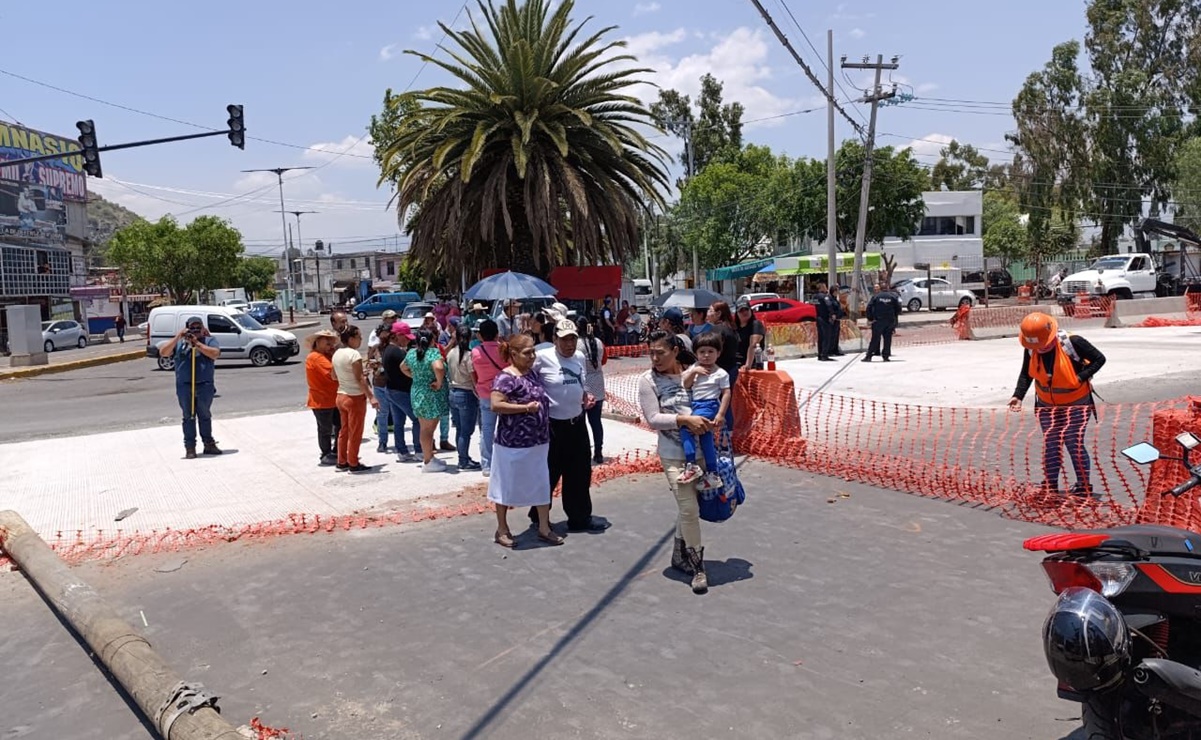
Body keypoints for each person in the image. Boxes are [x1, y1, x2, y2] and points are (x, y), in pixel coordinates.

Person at [637, 331, 714, 594]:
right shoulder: (648, 381)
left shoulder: (695, 372)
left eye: (661, 352)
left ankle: (679, 555)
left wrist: (717, 418)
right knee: (689, 509)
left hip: (703, 450)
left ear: (675, 351)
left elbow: (713, 399)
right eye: (652, 352)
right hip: (672, 454)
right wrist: (683, 421)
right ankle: (697, 566)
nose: (655, 357)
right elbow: (652, 418)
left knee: (691, 506)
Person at [1008, 312, 1107, 498]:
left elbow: (1100, 359)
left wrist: (1080, 377)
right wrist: (1018, 395)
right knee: (1051, 443)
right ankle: (1051, 484)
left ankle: (1084, 485)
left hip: (1076, 405)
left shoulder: (1073, 342)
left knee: (1073, 442)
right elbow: (1026, 373)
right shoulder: (1032, 347)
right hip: (1047, 406)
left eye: (1043, 346)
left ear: (1051, 334)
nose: (1041, 349)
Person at [529, 319, 607, 533]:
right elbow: (527, 381)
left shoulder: (579, 357)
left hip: (577, 423)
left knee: (580, 473)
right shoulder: (542, 358)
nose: (569, 344)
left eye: (572, 338)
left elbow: (579, 383)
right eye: (564, 339)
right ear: (554, 339)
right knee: (549, 472)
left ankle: (580, 518)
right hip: (552, 426)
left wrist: (585, 396)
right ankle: (539, 518)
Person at [488, 333, 564, 549]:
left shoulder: (531, 374)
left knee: (541, 484)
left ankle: (543, 527)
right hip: (512, 444)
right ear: (513, 354)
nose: (533, 356)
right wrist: (524, 408)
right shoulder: (506, 377)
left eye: (533, 351)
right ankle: (502, 529)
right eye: (527, 352)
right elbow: (495, 404)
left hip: (538, 442)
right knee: (505, 485)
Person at [159, 316, 223, 459]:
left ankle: (208, 444)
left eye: (197, 328)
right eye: (192, 328)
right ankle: (190, 447)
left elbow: (215, 354)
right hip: (184, 385)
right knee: (188, 416)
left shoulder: (209, 340)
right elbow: (164, 352)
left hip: (204, 385)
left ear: (202, 328)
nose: (195, 331)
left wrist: (197, 344)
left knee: (205, 415)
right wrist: (178, 337)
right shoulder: (180, 343)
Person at [678, 331, 731, 491]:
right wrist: (693, 372)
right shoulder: (695, 368)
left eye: (710, 352)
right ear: (696, 353)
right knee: (706, 438)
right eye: (702, 352)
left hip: (709, 406)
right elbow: (686, 384)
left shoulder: (721, 373)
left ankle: (691, 464)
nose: (706, 355)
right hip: (696, 405)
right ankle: (713, 473)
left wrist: (721, 414)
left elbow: (726, 393)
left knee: (686, 428)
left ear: (718, 353)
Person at [331, 325, 379, 473]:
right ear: (351, 339)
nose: (361, 340)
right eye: (359, 337)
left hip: (341, 395)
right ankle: (353, 462)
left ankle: (342, 460)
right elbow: (359, 379)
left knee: (343, 430)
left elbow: (333, 376)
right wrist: (371, 397)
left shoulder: (336, 354)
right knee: (355, 432)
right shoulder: (354, 355)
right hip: (354, 397)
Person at [401, 330, 450, 472]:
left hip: (417, 392)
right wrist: (439, 382)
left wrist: (416, 377)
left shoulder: (411, 353)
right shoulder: (433, 353)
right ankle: (428, 461)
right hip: (431, 394)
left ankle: (429, 458)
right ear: (432, 340)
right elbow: (439, 368)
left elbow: (402, 367)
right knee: (428, 429)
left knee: (425, 428)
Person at [382, 321, 421, 463]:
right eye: (405, 336)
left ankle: (402, 451)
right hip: (401, 392)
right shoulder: (398, 352)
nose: (408, 339)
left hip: (391, 390)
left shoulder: (387, 349)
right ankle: (419, 450)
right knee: (417, 419)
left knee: (399, 423)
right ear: (397, 335)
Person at [446, 324, 482, 470]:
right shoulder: (469, 355)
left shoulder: (451, 353)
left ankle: (463, 458)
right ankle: (464, 460)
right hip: (466, 393)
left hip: (453, 392)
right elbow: (474, 379)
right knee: (466, 431)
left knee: (460, 430)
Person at [472, 319, 505, 477]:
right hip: (504, 393)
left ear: (480, 335)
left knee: (486, 430)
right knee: (506, 428)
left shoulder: (476, 351)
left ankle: (487, 464)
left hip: (485, 393)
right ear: (497, 333)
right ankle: (504, 461)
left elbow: (474, 372)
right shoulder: (503, 349)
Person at [304, 329, 341, 466]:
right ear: (318, 341)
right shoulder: (316, 357)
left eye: (331, 343)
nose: (330, 345)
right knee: (325, 429)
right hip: (322, 400)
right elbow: (332, 373)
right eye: (327, 342)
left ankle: (337, 450)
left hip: (332, 398)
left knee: (339, 425)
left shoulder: (325, 356)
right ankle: (326, 453)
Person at [576, 317, 608, 465]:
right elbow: (604, 361)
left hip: (584, 385)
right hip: (598, 384)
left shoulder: (577, 344)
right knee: (596, 422)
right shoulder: (599, 342)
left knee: (581, 424)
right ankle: (599, 452)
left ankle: (584, 452)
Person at [707, 301, 741, 432]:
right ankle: (728, 437)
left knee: (720, 404)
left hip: (719, 370)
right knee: (726, 403)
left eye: (710, 311)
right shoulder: (731, 328)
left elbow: (714, 349)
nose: (708, 314)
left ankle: (723, 438)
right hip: (731, 369)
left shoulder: (718, 329)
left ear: (718, 313)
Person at [367, 325, 393, 453]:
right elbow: (368, 362)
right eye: (382, 335)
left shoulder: (393, 348)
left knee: (397, 415)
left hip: (393, 385)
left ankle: (400, 443)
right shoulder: (375, 349)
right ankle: (382, 442)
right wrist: (373, 365)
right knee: (382, 414)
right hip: (379, 384)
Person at [862, 282, 902, 362]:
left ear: (880, 288)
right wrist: (894, 317)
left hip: (878, 321)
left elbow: (869, 307)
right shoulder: (893, 297)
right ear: (887, 288)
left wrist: (870, 318)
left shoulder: (876, 297)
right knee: (887, 339)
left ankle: (869, 356)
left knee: (875, 339)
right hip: (889, 321)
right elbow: (898, 308)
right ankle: (886, 356)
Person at [734, 302, 766, 371]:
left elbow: (753, 345)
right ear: (737, 313)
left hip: (751, 366)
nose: (744, 312)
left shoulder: (756, 324)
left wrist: (747, 365)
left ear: (750, 310)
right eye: (741, 311)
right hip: (735, 364)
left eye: (746, 309)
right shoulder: (735, 327)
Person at [812, 283, 838, 362]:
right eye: (825, 287)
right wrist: (832, 314)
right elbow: (828, 305)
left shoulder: (815, 297)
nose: (826, 288)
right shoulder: (825, 296)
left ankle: (820, 354)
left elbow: (813, 304)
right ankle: (824, 355)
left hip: (818, 317)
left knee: (820, 337)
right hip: (825, 319)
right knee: (826, 337)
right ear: (822, 288)